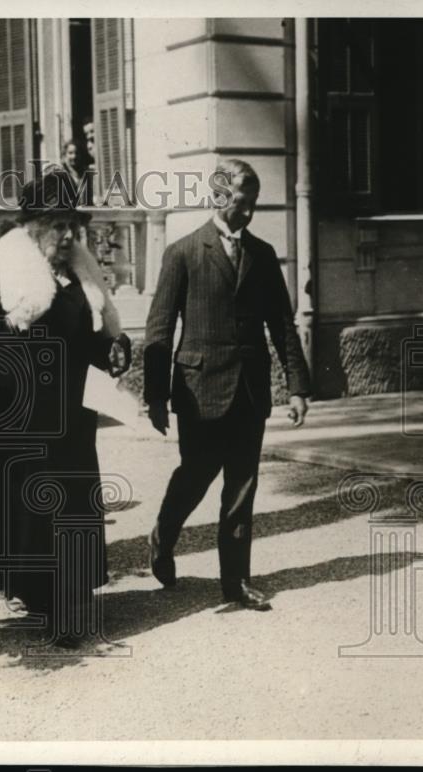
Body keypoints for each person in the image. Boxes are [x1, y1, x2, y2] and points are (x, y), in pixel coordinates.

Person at [0, 170, 131, 646]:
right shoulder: (4, 277)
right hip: (20, 421)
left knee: (72, 507)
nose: (64, 235)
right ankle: (50, 602)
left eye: (69, 225)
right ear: (32, 226)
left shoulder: (80, 273)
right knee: (34, 513)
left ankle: (66, 598)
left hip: (71, 419)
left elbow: (94, 333)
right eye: (54, 225)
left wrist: (115, 350)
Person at [143, 158, 311, 611]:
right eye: (242, 202)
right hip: (199, 391)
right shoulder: (183, 252)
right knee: (195, 476)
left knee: (242, 486)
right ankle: (163, 535)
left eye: (255, 203)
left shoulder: (262, 254)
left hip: (250, 391)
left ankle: (235, 582)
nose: (250, 212)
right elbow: (159, 329)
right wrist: (156, 396)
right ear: (219, 197)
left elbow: (282, 325)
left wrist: (297, 386)